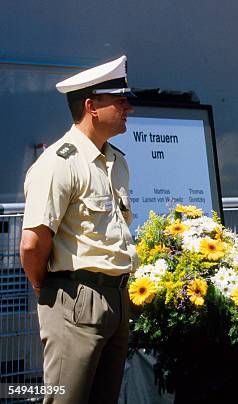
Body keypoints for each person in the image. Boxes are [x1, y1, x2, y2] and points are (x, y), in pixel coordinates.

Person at [20, 55, 137, 403]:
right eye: (120, 100)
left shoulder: (116, 161)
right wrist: (51, 290)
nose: (128, 108)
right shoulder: (59, 163)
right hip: (75, 298)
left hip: (116, 299)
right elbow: (31, 245)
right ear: (92, 106)